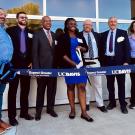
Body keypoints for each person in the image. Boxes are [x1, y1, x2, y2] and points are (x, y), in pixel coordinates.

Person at [57, 18, 93, 122]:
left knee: (82, 87)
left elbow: (86, 47)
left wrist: (82, 49)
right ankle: (72, 110)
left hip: (81, 66)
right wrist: (73, 64)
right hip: (69, 66)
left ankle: (84, 112)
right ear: (67, 25)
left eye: (74, 23)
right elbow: (61, 54)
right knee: (71, 87)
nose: (73, 25)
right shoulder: (62, 37)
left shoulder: (80, 36)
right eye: (71, 23)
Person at [7, 11, 34, 126]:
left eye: (25, 17)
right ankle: (11, 116)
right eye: (22, 17)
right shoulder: (10, 31)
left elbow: (33, 48)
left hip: (26, 66)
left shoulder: (31, 32)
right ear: (17, 19)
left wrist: (32, 61)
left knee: (25, 90)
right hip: (13, 66)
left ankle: (24, 112)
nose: (24, 19)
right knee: (12, 91)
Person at [100, 16, 130, 114]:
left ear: (117, 23)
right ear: (108, 23)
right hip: (108, 62)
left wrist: (126, 61)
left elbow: (127, 48)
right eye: (111, 22)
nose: (112, 23)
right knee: (110, 84)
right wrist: (102, 63)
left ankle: (122, 104)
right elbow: (101, 50)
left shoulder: (123, 33)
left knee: (121, 84)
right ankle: (112, 102)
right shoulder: (103, 34)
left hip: (120, 63)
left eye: (114, 22)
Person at [32, 16, 58, 121]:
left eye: (49, 21)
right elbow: (34, 53)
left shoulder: (55, 35)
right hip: (42, 69)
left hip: (53, 69)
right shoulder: (37, 35)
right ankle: (38, 111)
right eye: (46, 21)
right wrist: (37, 70)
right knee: (41, 91)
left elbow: (57, 52)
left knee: (52, 90)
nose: (48, 23)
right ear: (42, 23)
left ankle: (50, 109)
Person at [80, 19, 107, 112]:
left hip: (96, 62)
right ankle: (86, 103)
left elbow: (102, 48)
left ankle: (100, 104)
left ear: (92, 26)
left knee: (98, 84)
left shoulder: (97, 35)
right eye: (85, 24)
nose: (87, 26)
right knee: (85, 85)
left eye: (89, 24)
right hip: (84, 63)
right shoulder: (79, 35)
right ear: (83, 26)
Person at [0, 8, 13, 134]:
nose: (3, 16)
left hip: (4, 69)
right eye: (0, 14)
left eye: (4, 15)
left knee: (0, 94)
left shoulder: (4, 31)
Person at [128, 21, 135, 109]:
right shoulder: (129, 38)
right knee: (134, 82)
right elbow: (127, 51)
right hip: (133, 60)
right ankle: (133, 101)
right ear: (132, 28)